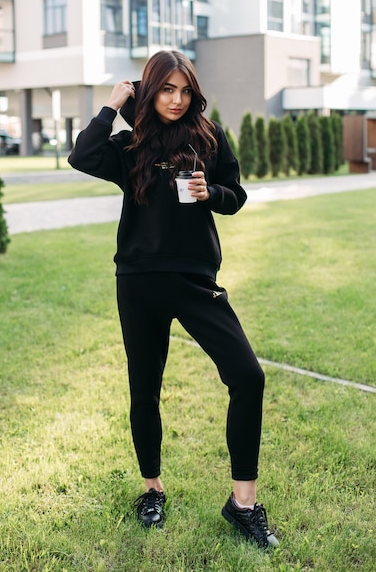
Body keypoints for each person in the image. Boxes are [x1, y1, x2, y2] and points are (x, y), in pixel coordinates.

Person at [68, 50, 279, 549]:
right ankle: (152, 489)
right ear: (149, 89)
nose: (178, 100)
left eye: (185, 90)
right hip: (138, 280)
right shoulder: (128, 146)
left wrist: (213, 195)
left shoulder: (209, 137)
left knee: (248, 375)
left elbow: (237, 194)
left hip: (194, 279)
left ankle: (243, 505)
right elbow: (81, 155)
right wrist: (111, 105)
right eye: (167, 89)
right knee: (145, 388)